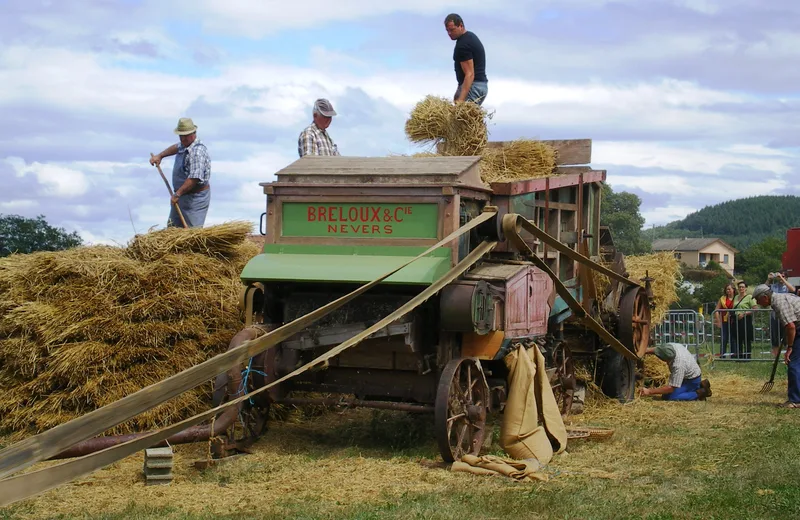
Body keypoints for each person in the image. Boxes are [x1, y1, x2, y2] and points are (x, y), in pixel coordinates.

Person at [149, 117, 211, 228]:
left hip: (194, 199)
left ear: (193, 133)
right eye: (181, 135)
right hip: (181, 196)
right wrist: (160, 156)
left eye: (186, 135)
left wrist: (177, 194)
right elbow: (176, 147)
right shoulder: (184, 144)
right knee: (173, 230)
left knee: (191, 235)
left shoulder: (197, 152)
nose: (183, 139)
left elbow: (194, 178)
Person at [753, 284, 800, 408]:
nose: (757, 302)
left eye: (757, 299)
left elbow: (791, 326)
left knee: (793, 363)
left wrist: (789, 348)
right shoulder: (778, 299)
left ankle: (795, 400)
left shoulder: (779, 303)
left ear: (764, 297)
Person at [640, 343, 712, 401]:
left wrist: (649, 391)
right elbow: (657, 350)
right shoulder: (671, 347)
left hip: (691, 380)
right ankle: (699, 386)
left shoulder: (678, 365)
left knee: (669, 396)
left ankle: (699, 393)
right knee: (667, 392)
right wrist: (643, 351)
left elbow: (671, 388)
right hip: (689, 373)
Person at [444, 13, 488, 105]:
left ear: (460, 25)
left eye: (452, 30)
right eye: (447, 30)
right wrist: (458, 91)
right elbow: (463, 73)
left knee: (461, 118)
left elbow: (469, 74)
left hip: (474, 86)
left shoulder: (463, 45)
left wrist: (460, 100)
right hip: (479, 85)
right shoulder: (470, 37)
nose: (449, 33)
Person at [733, 280, 758, 359]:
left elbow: (755, 309)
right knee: (738, 338)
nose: (741, 288)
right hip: (737, 320)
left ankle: (747, 356)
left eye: (742, 287)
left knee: (746, 338)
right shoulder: (736, 297)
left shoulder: (750, 297)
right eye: (739, 287)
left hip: (746, 319)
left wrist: (744, 313)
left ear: (746, 288)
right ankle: (739, 355)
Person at [767, 271, 790, 350]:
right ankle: (775, 356)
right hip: (775, 312)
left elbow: (793, 289)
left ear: (786, 277)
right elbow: (763, 289)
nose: (781, 278)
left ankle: (787, 354)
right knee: (775, 333)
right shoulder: (774, 286)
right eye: (780, 276)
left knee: (786, 334)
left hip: (786, 312)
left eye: (783, 276)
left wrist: (783, 279)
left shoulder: (787, 286)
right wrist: (769, 279)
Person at [714, 284, 737, 358]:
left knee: (733, 339)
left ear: (733, 290)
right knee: (724, 338)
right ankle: (722, 355)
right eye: (727, 289)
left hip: (734, 321)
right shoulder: (722, 298)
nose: (728, 291)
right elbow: (716, 310)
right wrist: (718, 321)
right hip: (724, 321)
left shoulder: (737, 298)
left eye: (729, 289)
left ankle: (734, 355)